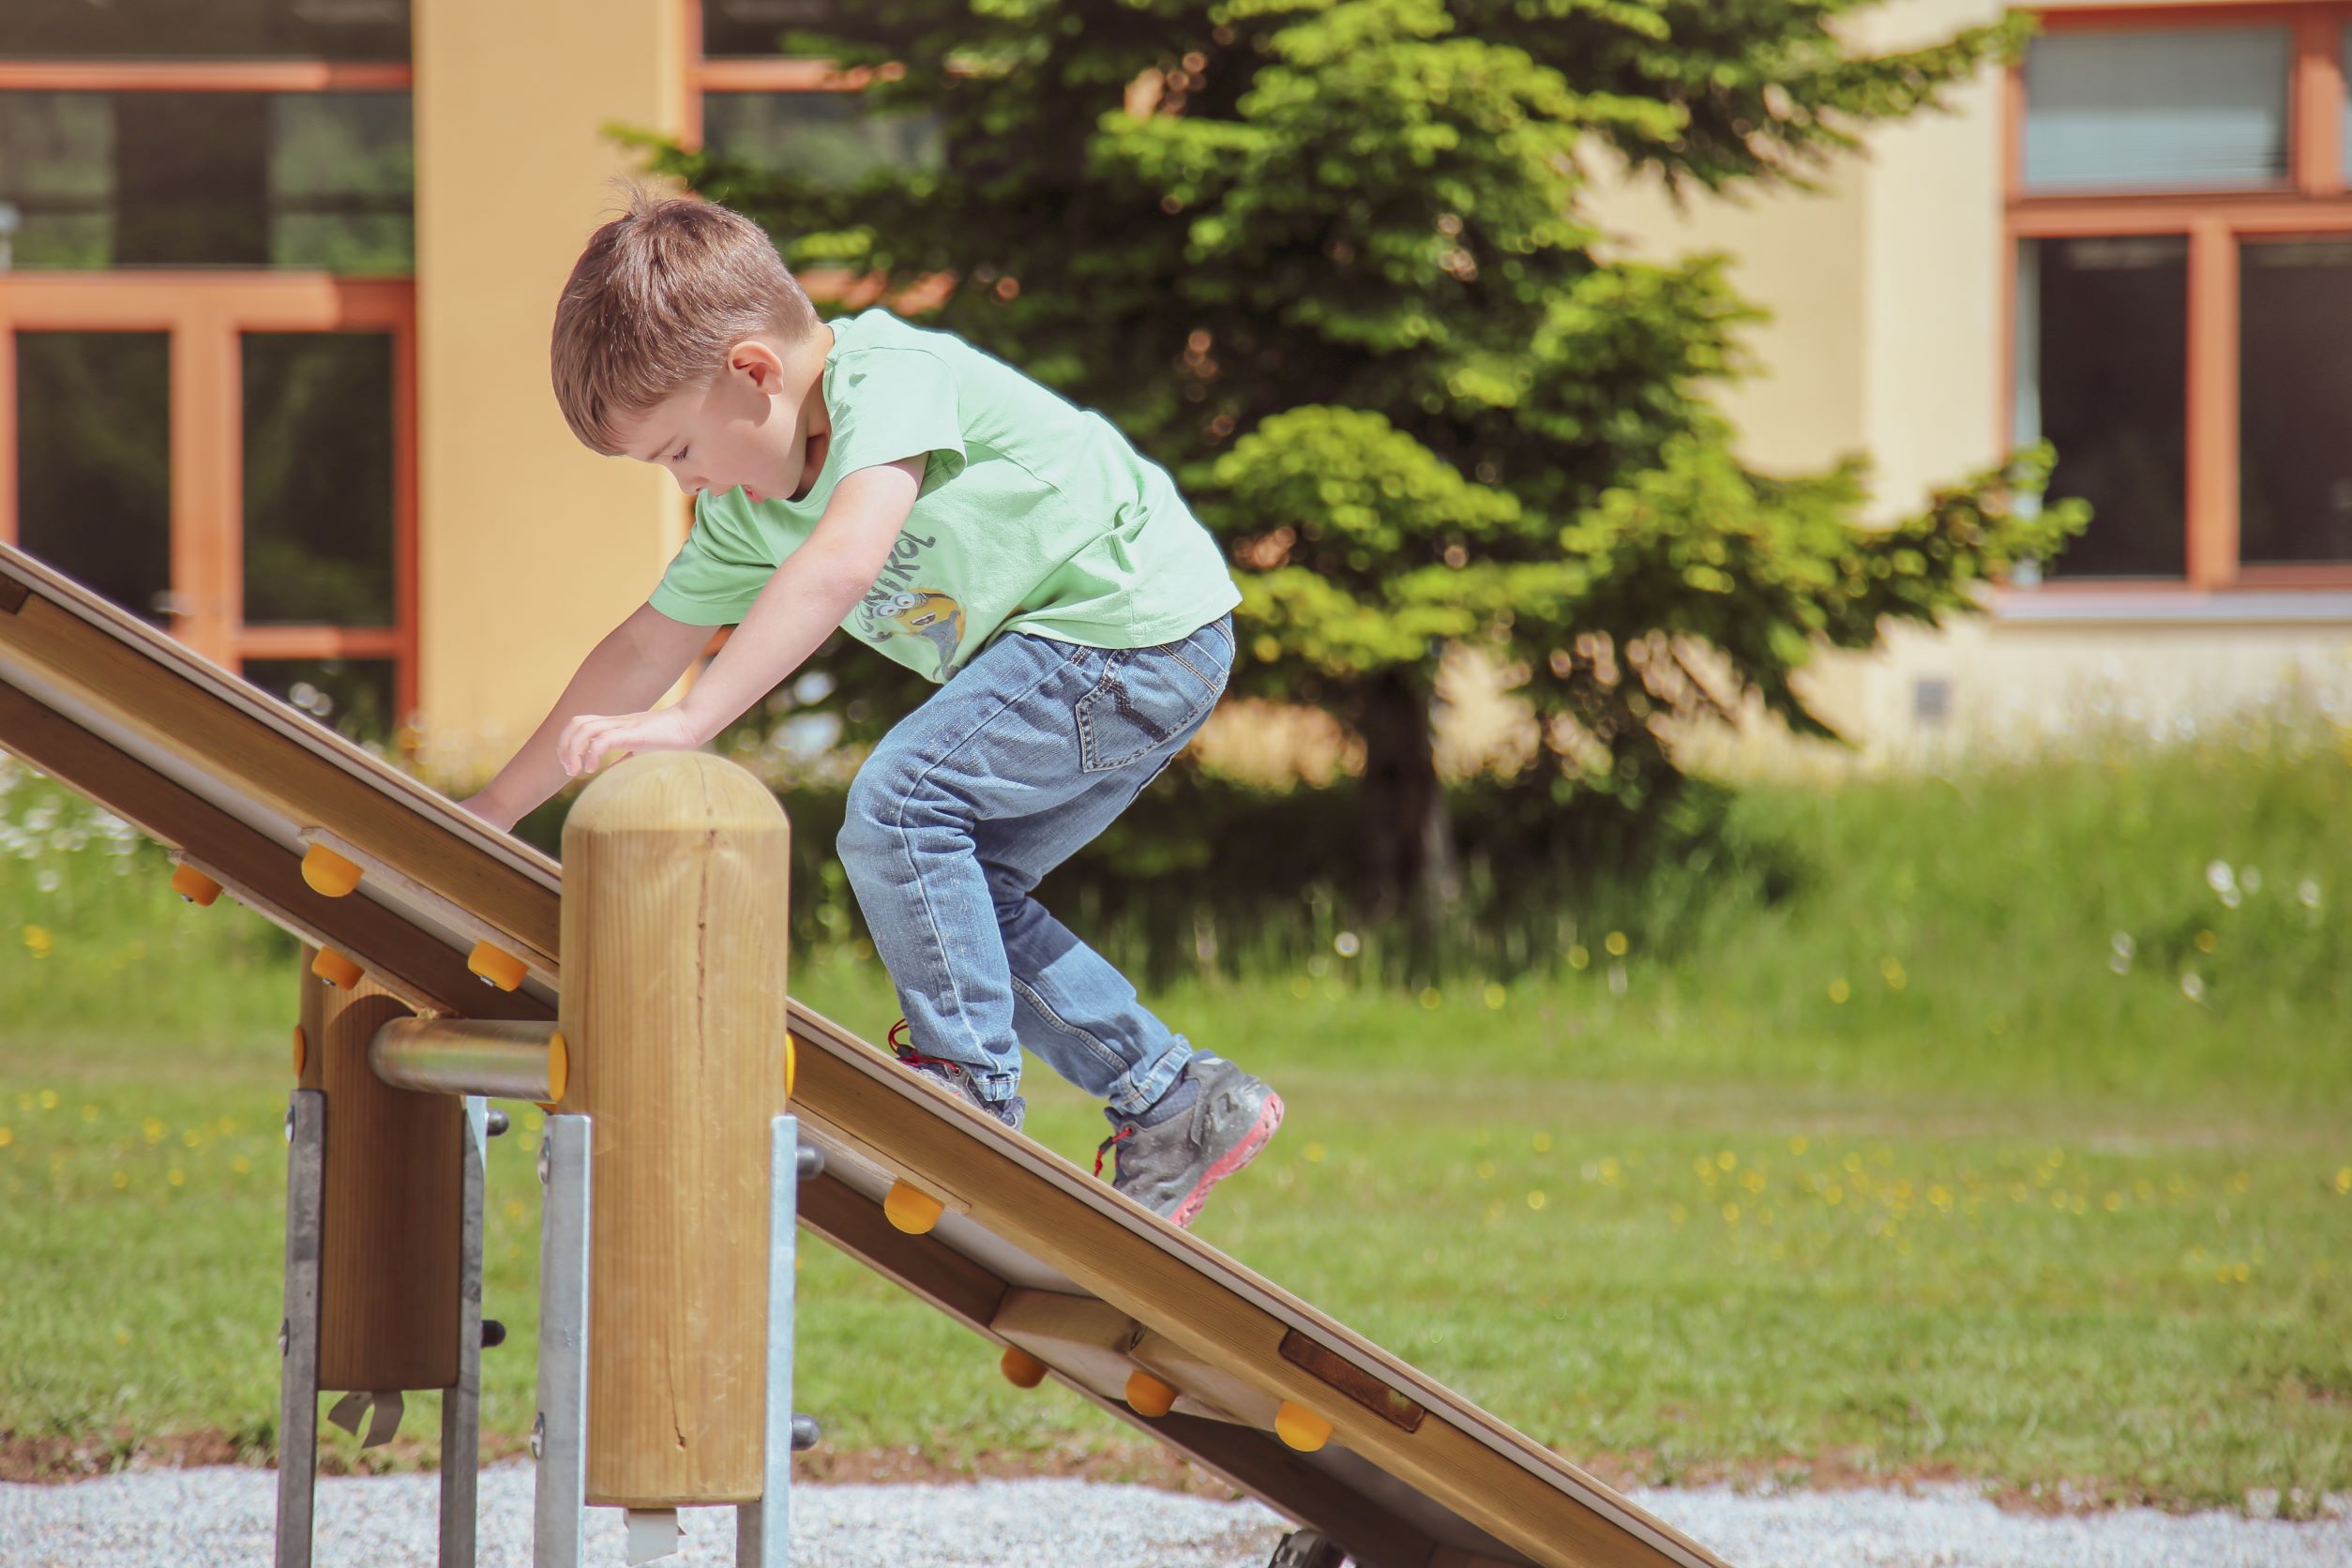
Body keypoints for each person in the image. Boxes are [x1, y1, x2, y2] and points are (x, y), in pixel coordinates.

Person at [458, 186, 1282, 1228]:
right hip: (1119, 655)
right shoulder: (745, 514)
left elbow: (845, 559)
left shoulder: (887, 381)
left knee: (899, 805)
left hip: (1127, 627)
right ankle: (1174, 1097)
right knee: (958, 895)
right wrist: (495, 807)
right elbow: (640, 647)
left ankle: (968, 1097)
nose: (687, 486)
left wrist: (690, 720)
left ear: (753, 372)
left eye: (676, 451)